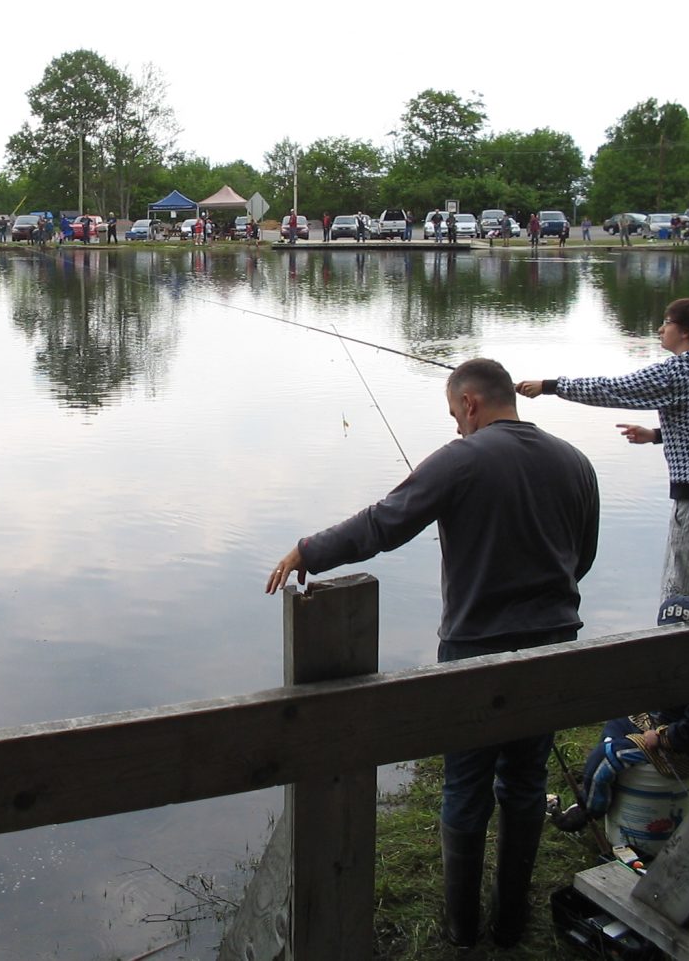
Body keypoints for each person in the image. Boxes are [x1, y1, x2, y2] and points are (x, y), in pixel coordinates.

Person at [266, 358, 600, 949]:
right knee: (525, 783)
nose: (456, 428)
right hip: (555, 646)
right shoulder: (577, 463)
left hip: (474, 651)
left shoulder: (462, 460)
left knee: (465, 786)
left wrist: (306, 550)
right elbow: (584, 556)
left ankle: (461, 929)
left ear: (470, 402)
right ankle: (511, 920)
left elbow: (384, 524)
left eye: (455, 415)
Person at [515, 296, 689, 612]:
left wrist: (550, 386)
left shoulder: (676, 373)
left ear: (684, 332)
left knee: (685, 591)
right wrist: (657, 435)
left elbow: (612, 388)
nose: (660, 329)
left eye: (666, 322)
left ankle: (684, 649)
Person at [550, 594, 689, 841]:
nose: (672, 640)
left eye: (680, 634)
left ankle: (589, 811)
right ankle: (600, 786)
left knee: (608, 755)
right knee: (618, 723)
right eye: (666, 632)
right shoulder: (676, 659)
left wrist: (661, 737)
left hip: (681, 748)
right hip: (666, 727)